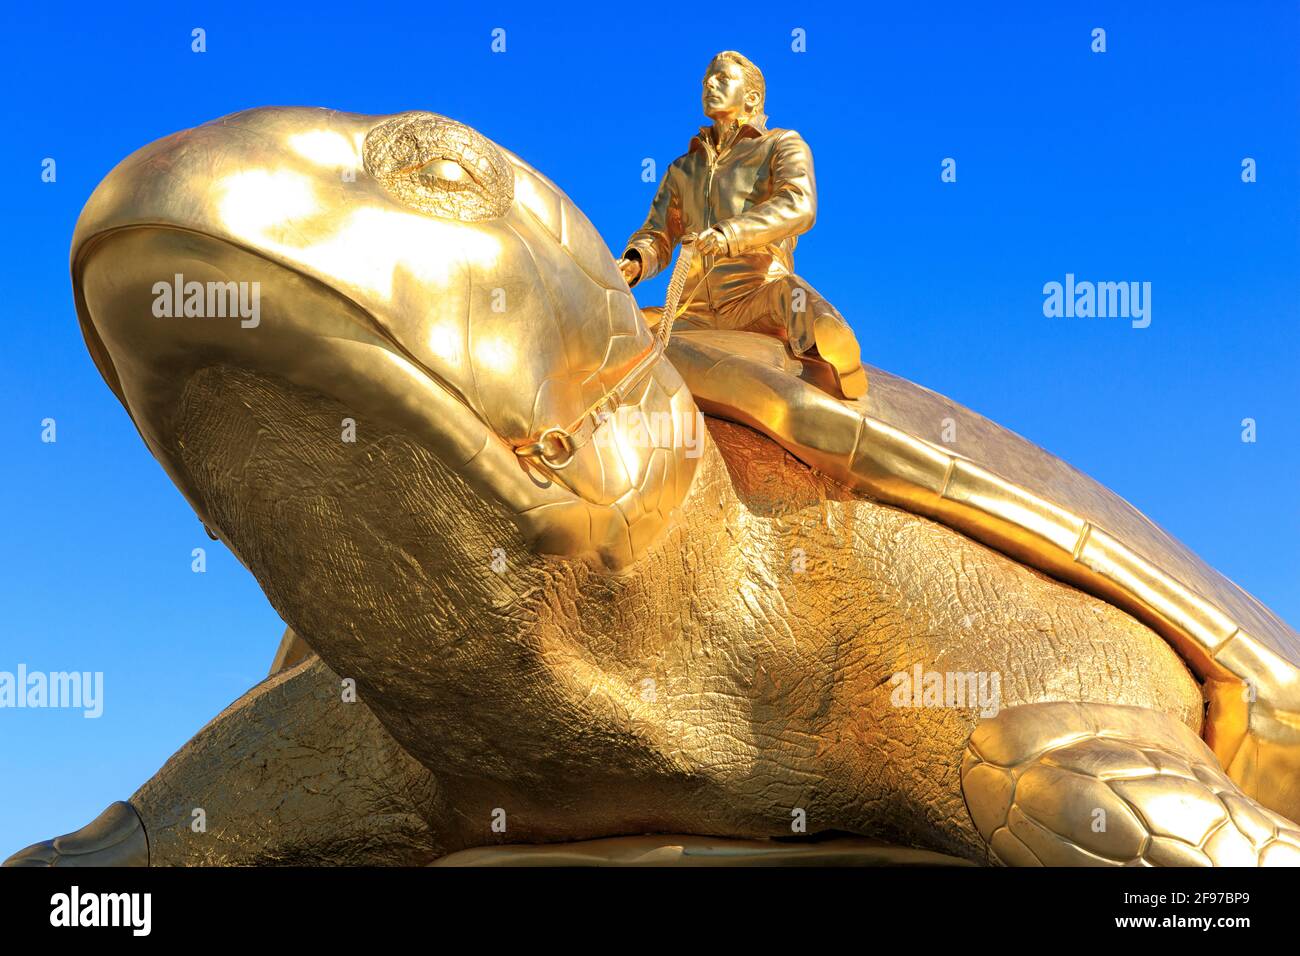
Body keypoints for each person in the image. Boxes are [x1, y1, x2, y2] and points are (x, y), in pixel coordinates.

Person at [618, 50, 867, 399]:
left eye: (722, 78)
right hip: (690, 311)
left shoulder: (780, 144)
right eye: (706, 79)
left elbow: (800, 204)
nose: (709, 84)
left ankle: (837, 350)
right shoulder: (681, 170)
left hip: (755, 296)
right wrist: (635, 261)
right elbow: (658, 234)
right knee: (618, 326)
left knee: (791, 294)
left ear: (751, 98)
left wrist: (730, 233)